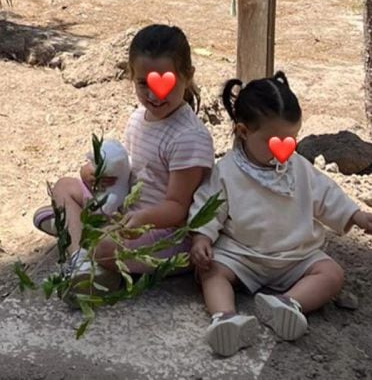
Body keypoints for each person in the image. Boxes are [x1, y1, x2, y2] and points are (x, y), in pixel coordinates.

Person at [190, 71, 372, 358]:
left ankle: (287, 304)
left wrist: (356, 216)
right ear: (243, 132)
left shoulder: (297, 167)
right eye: (275, 141)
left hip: (296, 256)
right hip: (243, 255)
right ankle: (225, 318)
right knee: (210, 272)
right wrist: (201, 237)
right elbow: (208, 206)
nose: (285, 151)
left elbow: (326, 195)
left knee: (331, 274)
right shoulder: (226, 172)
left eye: (292, 140)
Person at [33, 23, 215, 288]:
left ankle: (90, 248)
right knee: (63, 188)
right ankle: (81, 259)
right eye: (144, 84)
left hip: (168, 234)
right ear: (132, 76)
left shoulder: (189, 137)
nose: (154, 94)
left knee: (98, 242)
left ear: (187, 76)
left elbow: (178, 208)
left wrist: (141, 219)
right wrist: (93, 174)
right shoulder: (138, 118)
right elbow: (128, 170)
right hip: (128, 215)